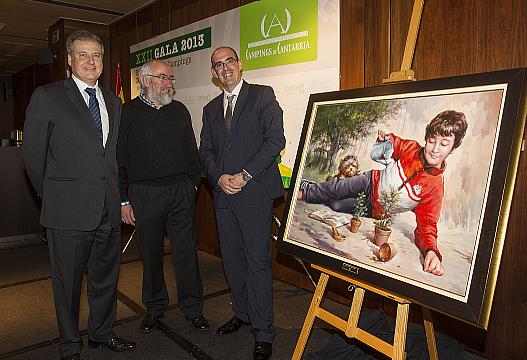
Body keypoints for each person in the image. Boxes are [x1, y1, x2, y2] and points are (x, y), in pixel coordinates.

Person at [22, 30, 136, 360]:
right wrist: (54, 195)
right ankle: (70, 345)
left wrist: (118, 199)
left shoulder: (114, 102)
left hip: (107, 209)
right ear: (70, 60)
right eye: (83, 55)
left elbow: (111, 157)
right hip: (67, 211)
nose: (90, 61)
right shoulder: (48, 96)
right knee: (68, 285)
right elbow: (32, 157)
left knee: (105, 279)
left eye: (97, 55)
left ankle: (101, 334)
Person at [298, 110, 468, 276]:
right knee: (338, 188)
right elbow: (391, 144)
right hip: (369, 182)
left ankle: (318, 191)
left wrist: (431, 251)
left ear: (452, 149)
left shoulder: (434, 188)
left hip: (375, 210)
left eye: (444, 144)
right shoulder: (411, 148)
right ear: (426, 139)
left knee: (336, 204)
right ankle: (306, 192)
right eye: (432, 141)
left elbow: (427, 226)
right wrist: (385, 139)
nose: (435, 149)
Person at [199, 46, 285, 360]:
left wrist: (245, 175)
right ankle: (244, 314)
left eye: (229, 61)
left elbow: (276, 140)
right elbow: (205, 152)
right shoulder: (210, 109)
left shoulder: (263, 95)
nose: (224, 68)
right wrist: (219, 177)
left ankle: (263, 331)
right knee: (232, 261)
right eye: (218, 65)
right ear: (213, 73)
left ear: (240, 64)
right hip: (223, 195)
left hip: (254, 194)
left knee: (257, 262)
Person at [117, 60, 209, 332]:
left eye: (171, 79)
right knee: (150, 253)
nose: (169, 83)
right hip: (144, 194)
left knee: (186, 253)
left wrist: (192, 185)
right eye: (164, 78)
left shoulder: (179, 110)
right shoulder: (127, 113)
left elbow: (192, 152)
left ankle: (193, 308)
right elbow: (119, 160)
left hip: (180, 191)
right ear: (145, 81)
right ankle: (155, 308)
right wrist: (123, 200)